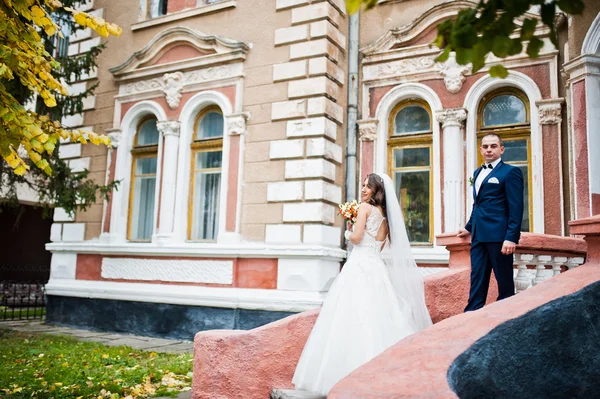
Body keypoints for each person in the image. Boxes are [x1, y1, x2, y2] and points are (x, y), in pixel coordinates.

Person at [292, 173, 432, 395]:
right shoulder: (387, 217)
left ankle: (344, 376)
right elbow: (381, 246)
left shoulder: (365, 209)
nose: (364, 189)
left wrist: (348, 230)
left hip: (358, 265)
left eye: (368, 186)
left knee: (349, 314)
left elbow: (357, 238)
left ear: (377, 190)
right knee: (378, 314)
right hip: (375, 266)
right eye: (363, 185)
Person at [457, 133, 524, 312]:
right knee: (477, 277)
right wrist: (469, 227)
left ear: (501, 149)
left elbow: (516, 208)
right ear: (480, 150)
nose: (488, 150)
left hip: (499, 237)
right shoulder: (477, 173)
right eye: (485, 146)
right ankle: (470, 316)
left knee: (504, 282)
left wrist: (511, 237)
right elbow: (477, 204)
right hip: (478, 236)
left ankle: (507, 317)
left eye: (493, 146)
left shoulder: (510, 172)